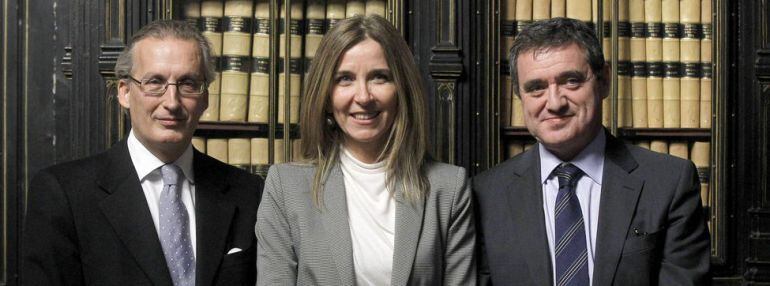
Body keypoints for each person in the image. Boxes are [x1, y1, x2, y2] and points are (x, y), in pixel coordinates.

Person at [21, 20, 263, 285]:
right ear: (124, 93)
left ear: (205, 98)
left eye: (188, 84)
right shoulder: (64, 194)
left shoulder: (249, 193)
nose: (172, 102)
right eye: (155, 82)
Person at [473, 18, 710, 285]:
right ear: (519, 95)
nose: (554, 103)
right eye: (536, 87)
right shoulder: (485, 195)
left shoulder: (669, 182)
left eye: (571, 81)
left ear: (604, 81)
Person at [256, 15, 476, 285]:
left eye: (379, 78)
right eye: (345, 79)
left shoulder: (449, 189)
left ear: (402, 90)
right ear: (325, 96)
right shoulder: (285, 187)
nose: (363, 97)